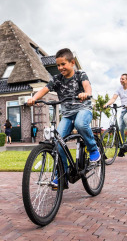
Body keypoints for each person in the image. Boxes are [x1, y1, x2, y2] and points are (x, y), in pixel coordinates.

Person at [27, 48, 101, 188]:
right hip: (67, 115)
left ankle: (93, 150)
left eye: (63, 64)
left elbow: (87, 87)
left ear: (72, 63)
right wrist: (34, 98)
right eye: (58, 65)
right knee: (58, 142)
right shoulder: (57, 79)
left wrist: (86, 93)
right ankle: (62, 177)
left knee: (80, 124)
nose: (60, 68)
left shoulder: (80, 75)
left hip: (83, 109)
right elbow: (44, 89)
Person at [104, 73, 127, 147]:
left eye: (122, 79)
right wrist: (107, 104)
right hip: (124, 109)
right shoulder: (119, 89)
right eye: (120, 79)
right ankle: (122, 145)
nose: (121, 80)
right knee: (120, 128)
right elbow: (113, 98)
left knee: (126, 118)